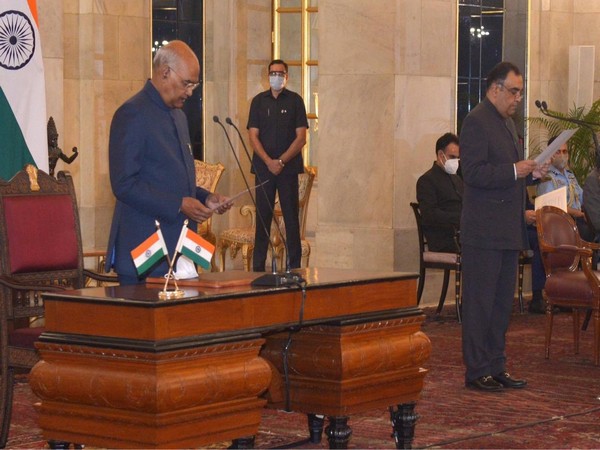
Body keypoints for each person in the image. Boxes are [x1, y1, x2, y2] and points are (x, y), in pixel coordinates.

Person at [105, 40, 230, 285]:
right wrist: (178, 204)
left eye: (194, 85)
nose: (190, 92)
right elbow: (124, 184)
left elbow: (174, 178)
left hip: (180, 250)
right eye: (187, 83)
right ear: (165, 72)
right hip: (145, 251)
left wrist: (205, 197)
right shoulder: (131, 113)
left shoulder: (179, 116)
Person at [459, 61, 547, 392]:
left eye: (521, 93)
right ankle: (476, 369)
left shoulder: (506, 124)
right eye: (514, 91)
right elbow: (474, 173)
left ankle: (496, 365)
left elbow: (510, 173)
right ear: (495, 88)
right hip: (483, 231)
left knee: (500, 305)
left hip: (508, 229)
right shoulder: (476, 122)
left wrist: (531, 173)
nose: (518, 99)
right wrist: (514, 171)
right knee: (480, 303)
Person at [247, 59, 309, 272]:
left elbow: (301, 137)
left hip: (288, 169)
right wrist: (268, 161)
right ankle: (258, 269)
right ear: (267, 76)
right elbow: (253, 136)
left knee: (291, 219)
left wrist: (281, 161)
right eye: (273, 73)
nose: (276, 77)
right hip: (264, 169)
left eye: (280, 73)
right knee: (263, 217)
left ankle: (294, 268)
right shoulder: (258, 101)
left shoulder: (295, 101)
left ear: (287, 76)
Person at [537, 137, 594, 241]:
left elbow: (584, 197)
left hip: (578, 221)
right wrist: (581, 214)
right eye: (558, 152)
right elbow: (554, 206)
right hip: (561, 223)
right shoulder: (546, 177)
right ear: (550, 154)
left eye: (565, 151)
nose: (562, 155)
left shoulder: (570, 175)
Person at [416, 132, 463, 252]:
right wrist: (459, 218)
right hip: (444, 237)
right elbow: (430, 214)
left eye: (458, 158)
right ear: (441, 155)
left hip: (462, 234)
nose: (456, 161)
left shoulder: (457, 179)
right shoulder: (426, 181)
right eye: (452, 157)